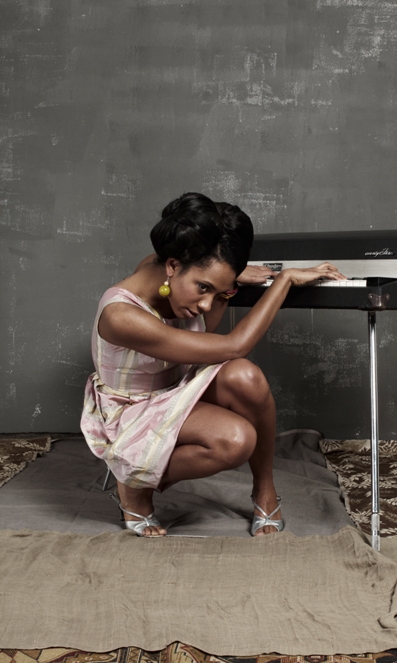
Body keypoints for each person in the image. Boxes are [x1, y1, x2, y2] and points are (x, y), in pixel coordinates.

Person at [80, 193, 345, 538]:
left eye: (218, 292)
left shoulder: (161, 268)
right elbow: (234, 345)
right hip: (131, 411)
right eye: (203, 288)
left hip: (174, 389)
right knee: (236, 440)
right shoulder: (121, 316)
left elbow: (202, 326)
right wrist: (284, 281)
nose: (207, 303)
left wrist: (226, 282)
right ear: (172, 266)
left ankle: (264, 488)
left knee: (247, 376)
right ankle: (132, 481)